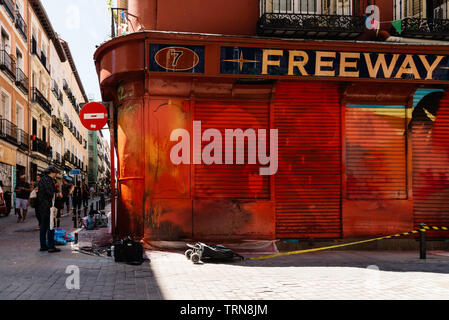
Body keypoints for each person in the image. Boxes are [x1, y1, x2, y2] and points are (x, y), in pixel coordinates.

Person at [37, 166, 62, 253]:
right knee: (51, 226)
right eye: (55, 173)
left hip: (43, 206)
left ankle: (43, 246)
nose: (56, 175)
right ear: (51, 172)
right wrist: (58, 194)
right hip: (48, 207)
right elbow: (50, 193)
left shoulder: (44, 179)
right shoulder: (47, 180)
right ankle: (51, 246)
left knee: (43, 226)